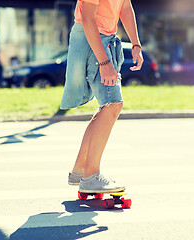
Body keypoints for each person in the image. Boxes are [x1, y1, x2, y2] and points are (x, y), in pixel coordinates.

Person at [60, 0, 143, 193]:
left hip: (105, 38)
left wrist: (136, 44)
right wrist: (104, 62)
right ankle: (91, 177)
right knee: (112, 105)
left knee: (108, 107)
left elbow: (125, 7)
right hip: (93, 38)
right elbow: (88, 19)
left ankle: (80, 170)